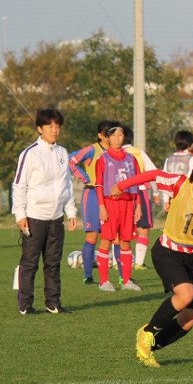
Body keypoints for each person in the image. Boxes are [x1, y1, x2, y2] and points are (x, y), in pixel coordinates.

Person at [111, 150, 193, 367]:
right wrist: (122, 185)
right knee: (186, 293)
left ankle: (149, 347)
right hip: (167, 252)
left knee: (189, 319)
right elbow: (152, 175)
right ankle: (147, 332)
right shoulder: (181, 184)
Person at [12, 109, 77, 315]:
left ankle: (53, 303)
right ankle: (25, 305)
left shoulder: (62, 153)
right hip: (34, 216)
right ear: (40, 128)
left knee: (53, 263)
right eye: (50, 126)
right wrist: (20, 215)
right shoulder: (30, 154)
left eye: (57, 126)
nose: (54, 130)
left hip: (56, 217)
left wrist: (70, 211)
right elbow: (19, 186)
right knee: (30, 263)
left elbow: (66, 184)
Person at [94, 122, 142, 292]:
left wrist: (138, 206)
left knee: (126, 241)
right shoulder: (103, 159)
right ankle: (104, 281)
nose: (117, 139)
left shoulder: (131, 158)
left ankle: (126, 280)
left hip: (128, 204)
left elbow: (137, 183)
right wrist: (101, 205)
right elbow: (99, 184)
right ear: (107, 138)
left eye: (120, 135)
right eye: (113, 135)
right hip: (110, 203)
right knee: (106, 240)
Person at [68, 120, 111, 284]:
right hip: (92, 195)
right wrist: (84, 177)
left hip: (109, 197)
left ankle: (121, 278)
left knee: (113, 237)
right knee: (92, 236)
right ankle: (88, 275)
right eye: (107, 133)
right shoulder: (93, 149)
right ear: (100, 135)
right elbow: (70, 160)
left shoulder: (116, 152)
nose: (110, 136)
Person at [122, 125, 160, 271]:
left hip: (120, 194)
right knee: (142, 228)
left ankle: (116, 262)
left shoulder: (112, 154)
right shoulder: (138, 153)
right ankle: (138, 263)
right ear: (131, 138)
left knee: (119, 229)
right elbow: (153, 173)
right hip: (140, 191)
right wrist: (156, 193)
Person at [162, 130, 193, 212]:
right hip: (186, 198)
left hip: (172, 197)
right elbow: (190, 179)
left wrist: (166, 200)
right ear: (190, 145)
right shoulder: (191, 159)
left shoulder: (169, 159)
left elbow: (164, 179)